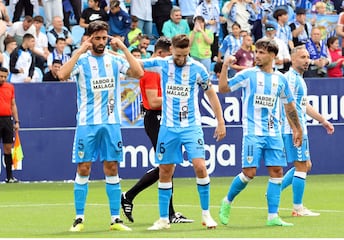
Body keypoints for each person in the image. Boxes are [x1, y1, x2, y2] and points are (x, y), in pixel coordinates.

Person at [56, 20, 143, 232]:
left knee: (112, 167)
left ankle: (115, 219)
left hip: (112, 123)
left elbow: (138, 73)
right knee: (84, 167)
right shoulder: (82, 60)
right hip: (87, 123)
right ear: (89, 39)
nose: (102, 42)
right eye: (97, 38)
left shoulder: (114, 60)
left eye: (104, 38)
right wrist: (78, 51)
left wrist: (123, 48)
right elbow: (61, 75)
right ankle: (78, 218)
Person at [142, 34, 226, 230]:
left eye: (185, 55)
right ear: (171, 50)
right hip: (168, 127)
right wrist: (115, 50)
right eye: (178, 55)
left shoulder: (198, 68)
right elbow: (136, 63)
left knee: (200, 166)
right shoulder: (162, 64)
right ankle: (163, 219)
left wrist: (220, 121)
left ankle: (206, 215)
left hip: (191, 126)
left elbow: (212, 96)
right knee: (165, 170)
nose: (181, 59)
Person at [218, 38, 303, 227]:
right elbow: (223, 88)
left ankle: (273, 217)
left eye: (262, 52)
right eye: (256, 52)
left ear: (273, 56)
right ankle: (227, 201)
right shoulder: (248, 75)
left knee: (277, 171)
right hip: (252, 132)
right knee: (249, 173)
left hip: (274, 132)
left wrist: (297, 129)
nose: (257, 56)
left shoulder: (280, 79)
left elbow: (289, 106)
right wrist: (224, 67)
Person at [121, 36, 194, 224]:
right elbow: (153, 102)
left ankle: (166, 211)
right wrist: (178, 97)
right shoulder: (153, 72)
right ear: (160, 53)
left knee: (168, 165)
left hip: (163, 118)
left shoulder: (161, 70)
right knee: (166, 165)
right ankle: (131, 196)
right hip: (156, 118)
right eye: (170, 54)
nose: (174, 59)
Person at [280, 45, 335, 217]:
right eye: (302, 57)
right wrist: (296, 128)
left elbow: (303, 105)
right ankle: (298, 208)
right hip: (294, 128)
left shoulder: (298, 79)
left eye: (307, 57)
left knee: (305, 164)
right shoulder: (290, 78)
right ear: (293, 58)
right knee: (302, 166)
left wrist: (323, 120)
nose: (307, 61)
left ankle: (274, 190)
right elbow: (286, 104)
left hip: (298, 127)